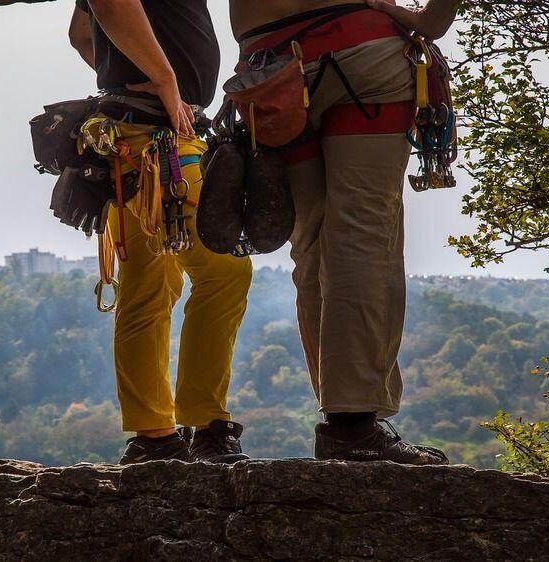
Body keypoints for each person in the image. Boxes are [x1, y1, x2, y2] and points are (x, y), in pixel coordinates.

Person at [227, 0, 459, 464]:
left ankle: (343, 415)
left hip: (269, 73)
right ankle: (351, 423)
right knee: (363, 236)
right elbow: (436, 17)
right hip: (363, 50)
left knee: (310, 241)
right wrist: (426, 23)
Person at [69, 0, 253, 465]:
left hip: (133, 136)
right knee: (224, 271)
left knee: (148, 288)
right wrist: (167, 82)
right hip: (160, 136)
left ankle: (154, 436)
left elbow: (80, 33)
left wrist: (133, 74)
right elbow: (108, 6)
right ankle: (206, 424)